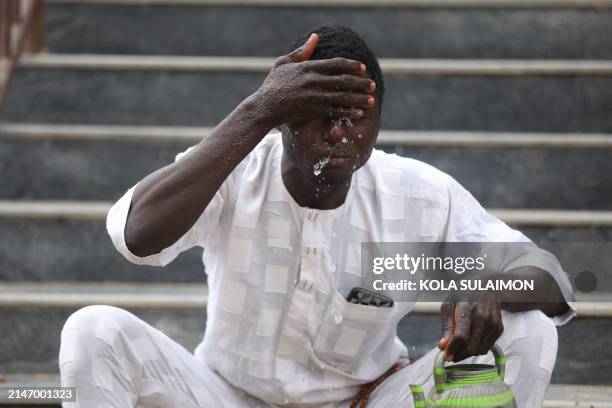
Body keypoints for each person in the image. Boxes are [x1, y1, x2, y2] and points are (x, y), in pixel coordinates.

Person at [59, 25, 575, 407]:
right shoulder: (235, 168)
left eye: (357, 116)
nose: (338, 133)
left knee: (531, 330)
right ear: (284, 115)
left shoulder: (418, 193)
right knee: (93, 330)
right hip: (223, 396)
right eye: (322, 113)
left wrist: (489, 286)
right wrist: (256, 109)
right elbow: (136, 236)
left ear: (379, 122)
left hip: (369, 400)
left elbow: (552, 278)